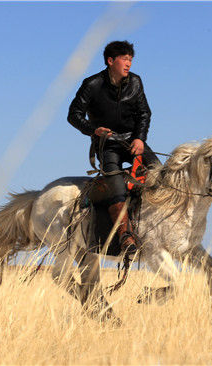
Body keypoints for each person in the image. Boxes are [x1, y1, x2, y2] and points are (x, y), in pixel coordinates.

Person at [67, 40, 159, 255]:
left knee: (160, 175)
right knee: (116, 187)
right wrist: (93, 129)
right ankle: (125, 235)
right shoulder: (92, 84)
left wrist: (140, 139)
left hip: (132, 141)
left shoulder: (136, 82)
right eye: (125, 59)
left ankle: (155, 229)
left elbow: (144, 113)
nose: (129, 64)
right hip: (106, 144)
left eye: (130, 60)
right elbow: (74, 115)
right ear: (111, 61)